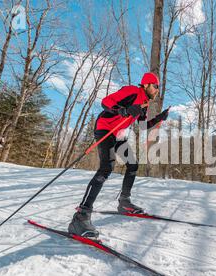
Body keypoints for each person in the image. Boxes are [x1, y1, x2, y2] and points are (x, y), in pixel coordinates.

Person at [68, 72, 170, 238]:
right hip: (105, 129)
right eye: (155, 86)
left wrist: (160, 118)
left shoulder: (144, 102)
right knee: (106, 168)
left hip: (119, 133)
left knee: (133, 164)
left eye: (158, 87)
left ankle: (124, 202)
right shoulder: (131, 91)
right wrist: (122, 110)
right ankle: (81, 216)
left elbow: (143, 126)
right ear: (146, 84)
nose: (157, 90)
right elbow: (106, 102)